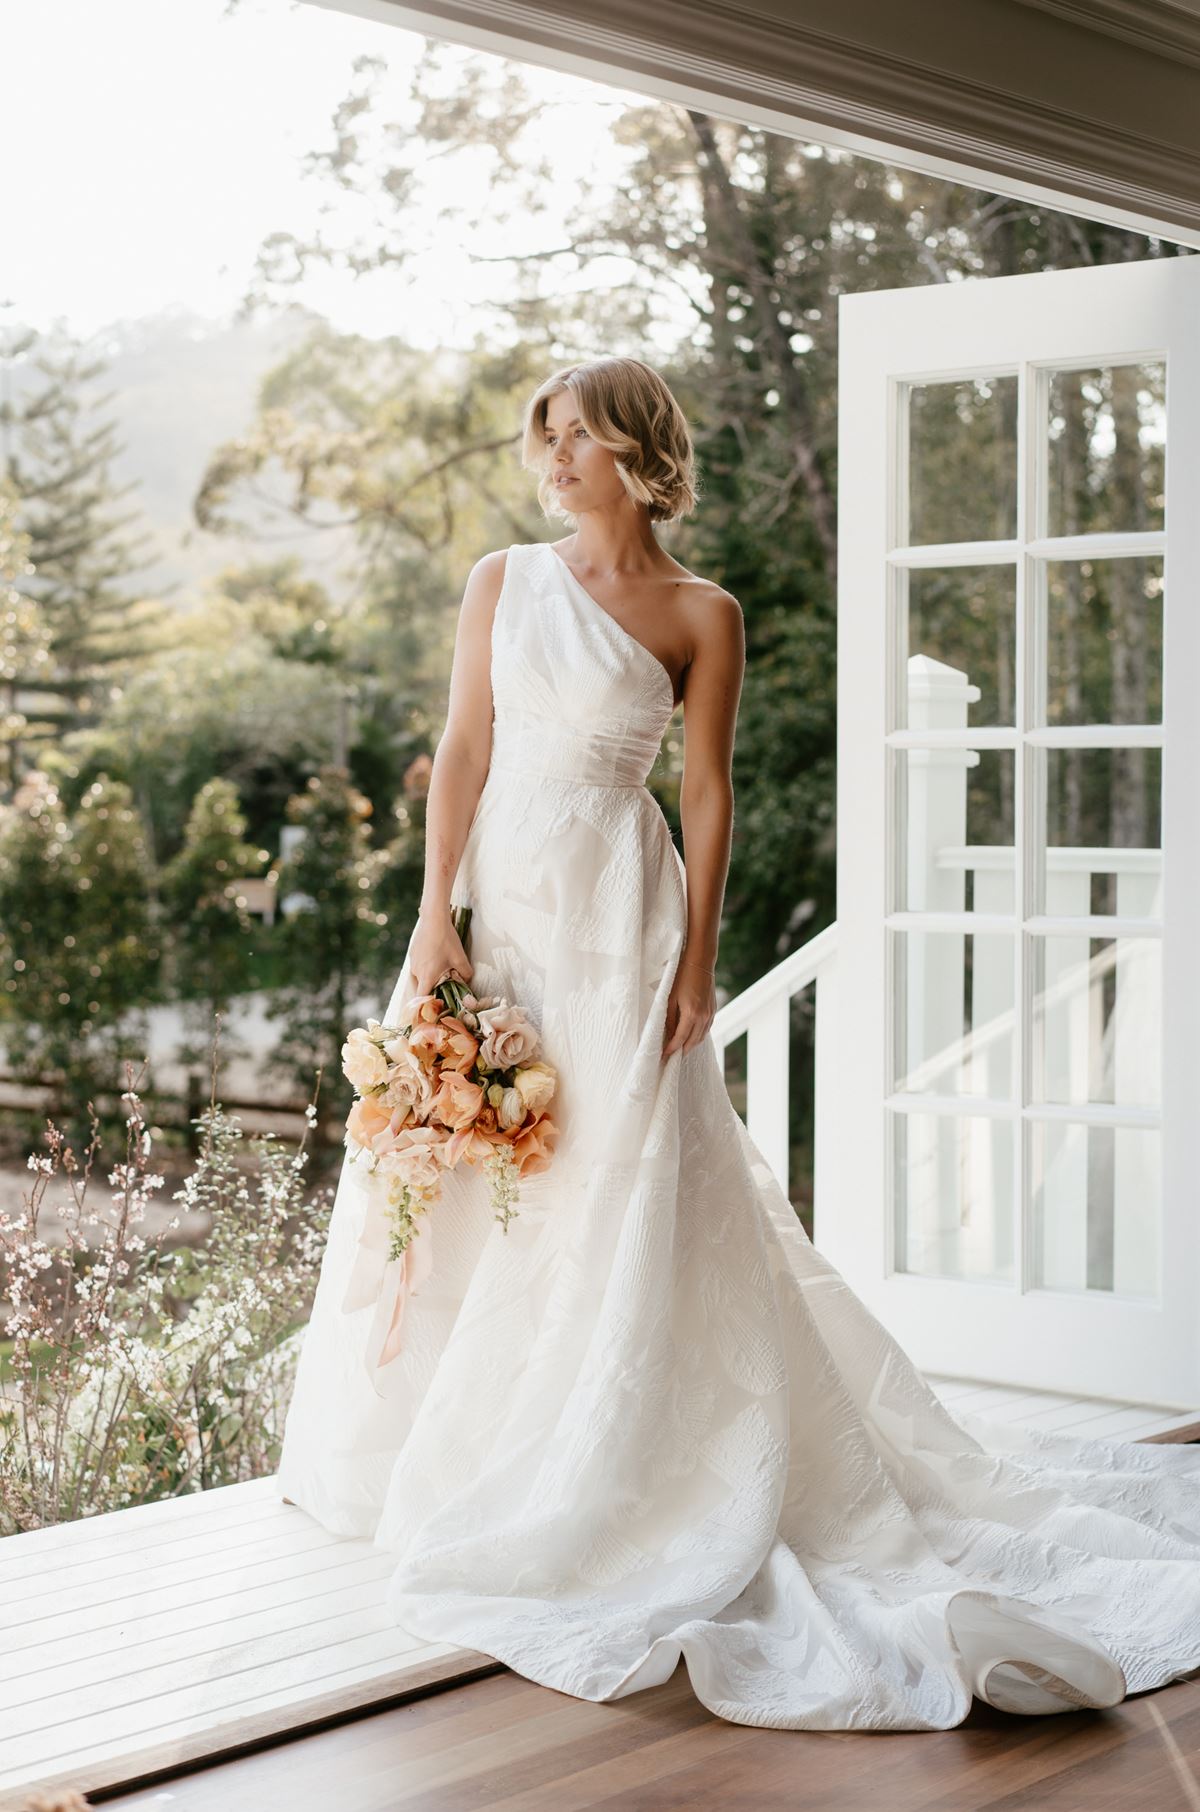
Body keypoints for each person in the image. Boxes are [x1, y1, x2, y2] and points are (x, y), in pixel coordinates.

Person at [276, 356, 1200, 1731]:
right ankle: (447, 1440)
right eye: (547, 439)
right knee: (471, 1152)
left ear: (633, 452)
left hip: (620, 907)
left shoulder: (704, 612)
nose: (555, 458)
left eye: (577, 437)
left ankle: (614, 1456)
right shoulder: (501, 582)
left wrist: (701, 959)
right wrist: (434, 919)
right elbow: (461, 747)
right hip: (502, 906)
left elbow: (706, 794)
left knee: (614, 1170)